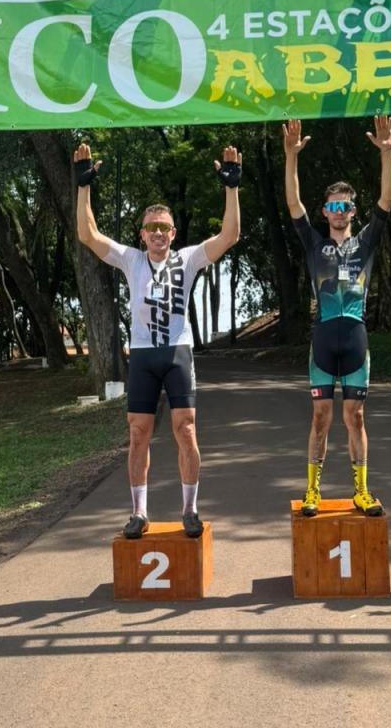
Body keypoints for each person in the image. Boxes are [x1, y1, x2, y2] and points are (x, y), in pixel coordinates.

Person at [73, 141, 241, 539]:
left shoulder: (189, 257)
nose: (158, 233)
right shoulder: (131, 258)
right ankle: (139, 513)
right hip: (144, 355)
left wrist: (232, 188)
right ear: (142, 234)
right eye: (152, 228)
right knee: (138, 434)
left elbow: (230, 235)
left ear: (173, 232)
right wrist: (83, 186)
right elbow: (88, 234)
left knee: (186, 430)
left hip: (178, 352)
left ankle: (190, 509)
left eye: (164, 227)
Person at [283, 116, 391, 517]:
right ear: (325, 211)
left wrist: (387, 152)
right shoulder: (315, 243)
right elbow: (293, 204)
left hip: (355, 340)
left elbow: (387, 198)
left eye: (345, 206)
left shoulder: (365, 242)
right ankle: (312, 491)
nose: (339, 212)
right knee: (320, 418)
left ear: (352, 210)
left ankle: (361, 491)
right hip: (323, 340)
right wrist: (291, 156)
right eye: (333, 206)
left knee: (356, 416)